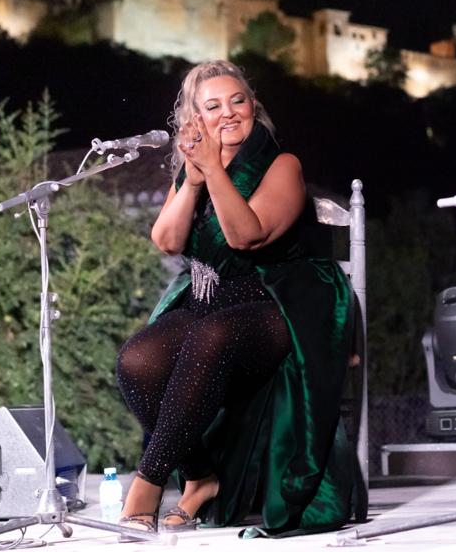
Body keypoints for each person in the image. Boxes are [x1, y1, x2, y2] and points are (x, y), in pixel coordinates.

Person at [114, 60, 366, 537]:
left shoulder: (281, 165)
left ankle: (147, 483)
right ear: (195, 121)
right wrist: (192, 180)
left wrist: (213, 170)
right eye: (213, 106)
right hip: (213, 302)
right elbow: (167, 241)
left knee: (211, 334)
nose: (228, 113)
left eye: (238, 101)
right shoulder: (192, 172)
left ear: (254, 107)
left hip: (282, 302)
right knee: (137, 361)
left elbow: (244, 238)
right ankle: (201, 476)